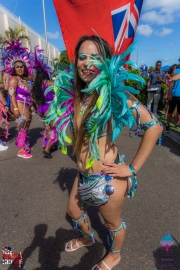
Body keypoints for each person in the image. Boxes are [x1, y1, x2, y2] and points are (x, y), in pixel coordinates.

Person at [45, 35, 162, 270]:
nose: (87, 63)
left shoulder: (115, 96)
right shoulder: (79, 96)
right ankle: (88, 238)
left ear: (107, 63)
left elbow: (155, 126)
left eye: (95, 57)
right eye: (82, 56)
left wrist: (131, 168)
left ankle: (115, 255)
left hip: (108, 179)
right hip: (84, 176)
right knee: (73, 211)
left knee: (111, 223)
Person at [8, 60, 33, 158]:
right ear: (14, 68)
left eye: (22, 66)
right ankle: (21, 150)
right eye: (17, 66)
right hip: (19, 104)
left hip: (26, 105)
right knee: (22, 127)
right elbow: (11, 94)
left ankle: (24, 145)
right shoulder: (13, 79)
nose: (19, 68)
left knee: (26, 125)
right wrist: (15, 108)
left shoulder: (24, 79)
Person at [165, 65, 180, 131]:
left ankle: (177, 124)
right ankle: (167, 124)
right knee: (170, 111)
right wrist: (170, 93)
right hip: (174, 94)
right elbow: (171, 82)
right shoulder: (176, 70)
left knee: (179, 112)